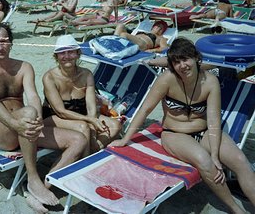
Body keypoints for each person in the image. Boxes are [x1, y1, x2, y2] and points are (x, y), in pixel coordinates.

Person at [109, 38, 255, 214]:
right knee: (204, 161)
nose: (182, 65)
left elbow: (214, 121)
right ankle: (237, 210)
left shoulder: (210, 82)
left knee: (241, 161)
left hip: (206, 131)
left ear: (196, 58)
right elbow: (145, 110)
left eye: (185, 59)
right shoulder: (167, 79)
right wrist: (125, 139)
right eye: (176, 62)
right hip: (174, 134)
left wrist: (216, 155)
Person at [0, 23, 86, 208]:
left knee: (78, 140)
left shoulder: (24, 67)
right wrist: (17, 124)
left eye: (3, 42)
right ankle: (32, 177)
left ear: (11, 43)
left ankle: (41, 184)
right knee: (28, 112)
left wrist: (38, 120)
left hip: (26, 127)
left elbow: (33, 96)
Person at [42, 35, 123, 156]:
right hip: (55, 118)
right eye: (62, 53)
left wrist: (92, 121)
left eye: (71, 52)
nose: (67, 56)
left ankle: (91, 151)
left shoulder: (86, 74)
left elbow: (91, 106)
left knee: (115, 125)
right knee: (83, 127)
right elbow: (60, 111)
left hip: (83, 115)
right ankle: (84, 160)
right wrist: (90, 121)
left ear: (78, 54)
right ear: (56, 57)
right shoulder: (50, 77)